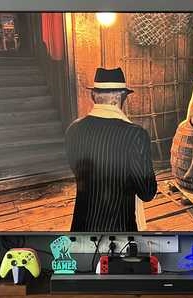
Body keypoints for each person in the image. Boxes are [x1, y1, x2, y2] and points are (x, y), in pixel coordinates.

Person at [65, 67, 157, 232]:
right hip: (118, 230)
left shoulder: (74, 129)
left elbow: (78, 171)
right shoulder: (134, 135)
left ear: (94, 96)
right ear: (119, 97)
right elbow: (147, 192)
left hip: (81, 228)